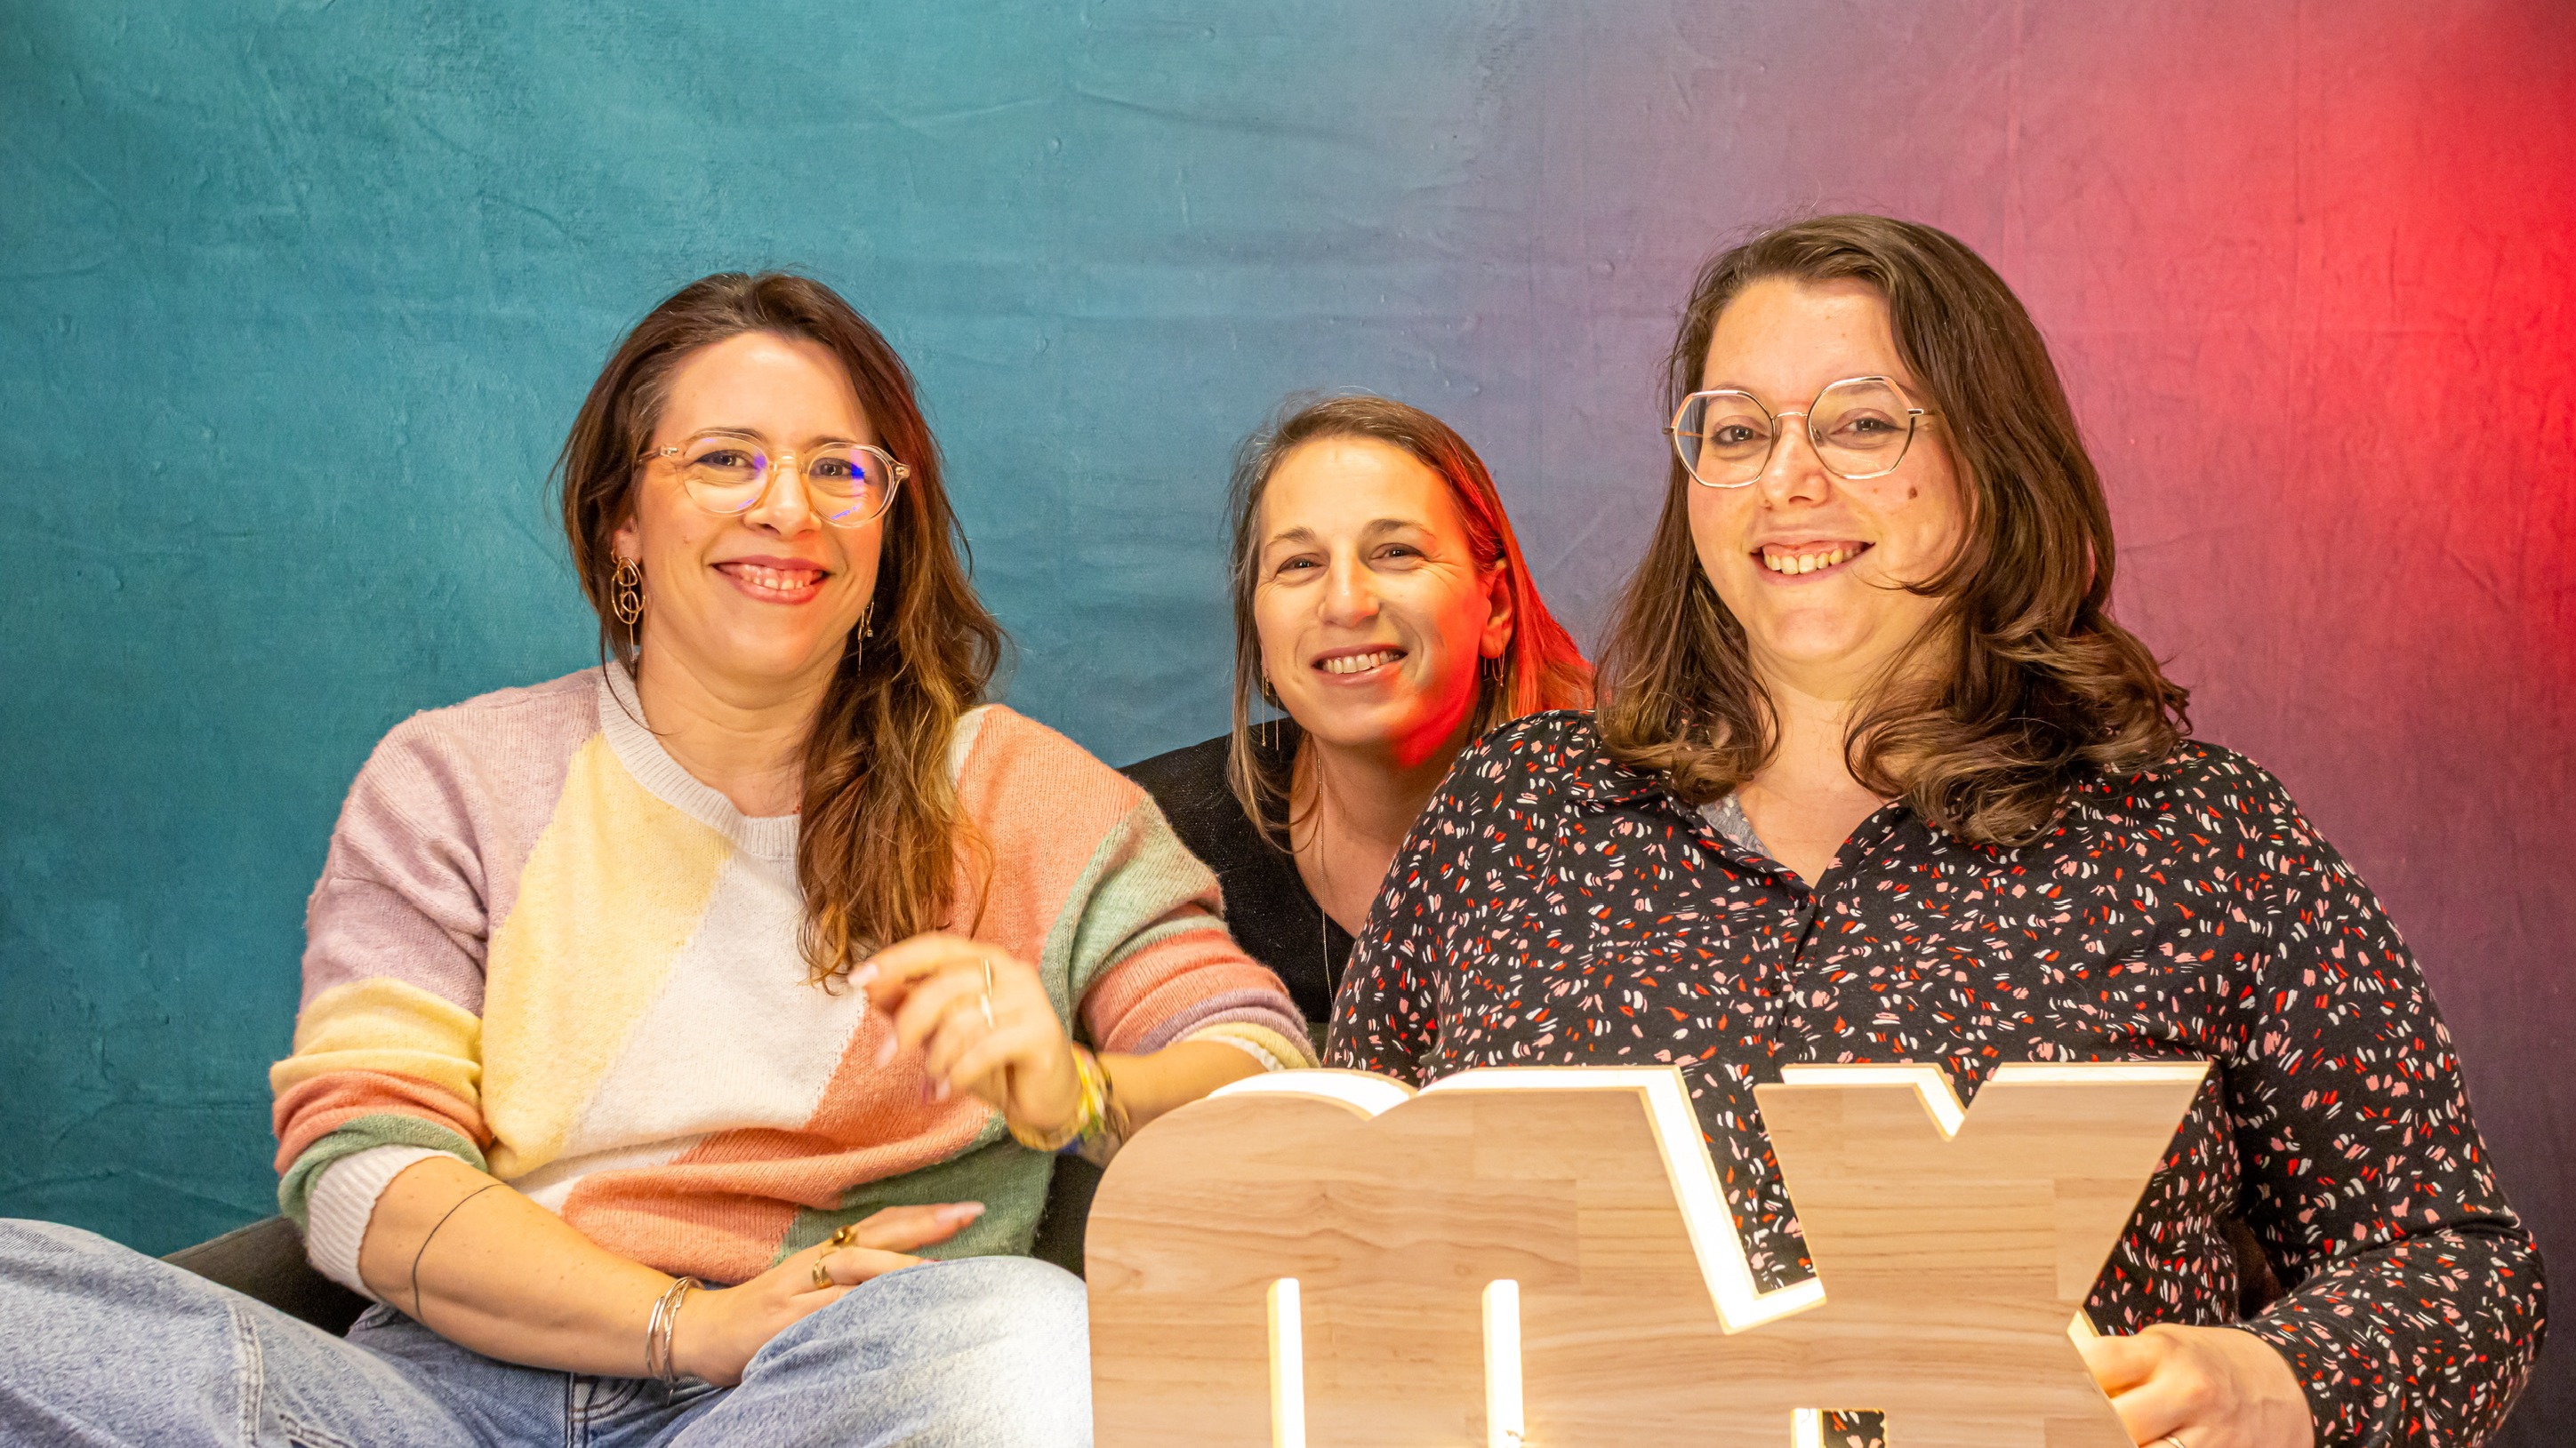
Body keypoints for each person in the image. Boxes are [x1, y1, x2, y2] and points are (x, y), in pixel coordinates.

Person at [0, 272, 1313, 1446]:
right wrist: (685, 1323)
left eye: (839, 470)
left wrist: (1082, 1089)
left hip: (814, 1392)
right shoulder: (455, 777)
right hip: (434, 1403)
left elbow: (1263, 1075)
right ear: (622, 517)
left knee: (1020, 1337)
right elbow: (363, 1173)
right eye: (726, 460)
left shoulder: (1023, 796)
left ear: (888, 525)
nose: (786, 508)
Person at [1327, 216, 2543, 1448]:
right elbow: (1325, 1224)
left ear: (1989, 458)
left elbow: (2461, 1265)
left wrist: (2276, 1381)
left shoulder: (2201, 839)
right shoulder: (1512, 815)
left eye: (1860, 423)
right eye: (1736, 432)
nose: (1786, 480)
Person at [1125, 395, 1591, 1040]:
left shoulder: (1641, 830)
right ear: (1259, 629)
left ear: (1497, 608)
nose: (1345, 603)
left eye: (1396, 552)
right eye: (1300, 564)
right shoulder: (1149, 839)